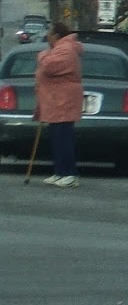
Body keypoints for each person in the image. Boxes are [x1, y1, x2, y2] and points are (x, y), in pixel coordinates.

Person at [34, 21, 84, 189]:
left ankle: (70, 174)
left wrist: (42, 56)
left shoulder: (66, 49)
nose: (47, 36)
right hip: (56, 101)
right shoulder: (59, 49)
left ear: (56, 35)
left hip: (63, 101)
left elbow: (48, 66)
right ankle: (60, 171)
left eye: (49, 33)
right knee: (57, 138)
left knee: (63, 138)